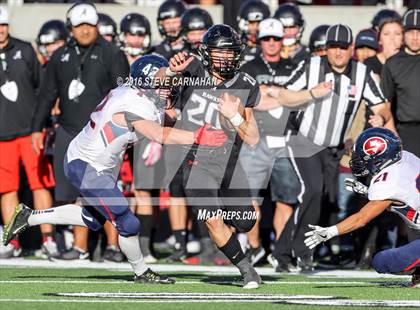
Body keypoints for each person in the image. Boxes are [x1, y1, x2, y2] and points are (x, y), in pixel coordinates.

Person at [2, 54, 228, 284]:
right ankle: (141, 272)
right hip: (85, 164)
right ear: (148, 84)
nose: (168, 90)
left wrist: (179, 88)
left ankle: (28, 217)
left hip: (99, 165)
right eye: (163, 85)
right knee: (127, 221)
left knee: (93, 219)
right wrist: (197, 136)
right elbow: (158, 133)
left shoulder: (139, 93)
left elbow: (164, 112)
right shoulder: (134, 102)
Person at [268, 24, 396, 273]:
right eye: (333, 47)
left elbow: (382, 106)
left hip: (334, 147)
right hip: (303, 139)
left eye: (343, 47)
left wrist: (379, 118)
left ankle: (281, 254)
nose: (338, 53)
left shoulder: (362, 73)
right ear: (325, 49)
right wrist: (311, 94)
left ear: (351, 49)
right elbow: (284, 97)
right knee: (313, 190)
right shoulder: (312, 66)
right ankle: (302, 254)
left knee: (323, 201)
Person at [31, 2, 130, 260]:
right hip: (68, 130)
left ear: (97, 25)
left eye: (89, 25)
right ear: (70, 28)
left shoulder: (112, 53)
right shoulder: (60, 55)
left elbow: (124, 95)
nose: (85, 30)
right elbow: (46, 95)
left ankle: (112, 246)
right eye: (79, 26)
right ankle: (80, 247)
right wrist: (36, 129)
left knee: (106, 191)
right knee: (71, 193)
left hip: (103, 134)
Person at [304, 127, 420, 287]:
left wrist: (330, 231)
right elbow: (402, 198)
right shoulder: (406, 158)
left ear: (380, 158)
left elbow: (361, 219)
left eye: (364, 157)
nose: (360, 161)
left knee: (382, 261)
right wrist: (368, 191)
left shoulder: (388, 183)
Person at [240, 18, 300, 265]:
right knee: (250, 199)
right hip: (254, 140)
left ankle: (281, 250)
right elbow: (249, 100)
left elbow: (299, 100)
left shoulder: (295, 67)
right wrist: (280, 95)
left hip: (285, 139)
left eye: (276, 38)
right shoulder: (249, 67)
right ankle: (255, 248)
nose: (272, 43)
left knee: (286, 199)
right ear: (259, 40)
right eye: (267, 38)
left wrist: (269, 93)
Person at [0, 7, 56, 259]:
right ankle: (13, 242)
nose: (0, 30)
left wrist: (40, 125)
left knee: (40, 184)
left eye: (3, 25)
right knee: (7, 188)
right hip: (2, 134)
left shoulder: (24, 49)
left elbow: (40, 87)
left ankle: (49, 239)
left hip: (30, 130)